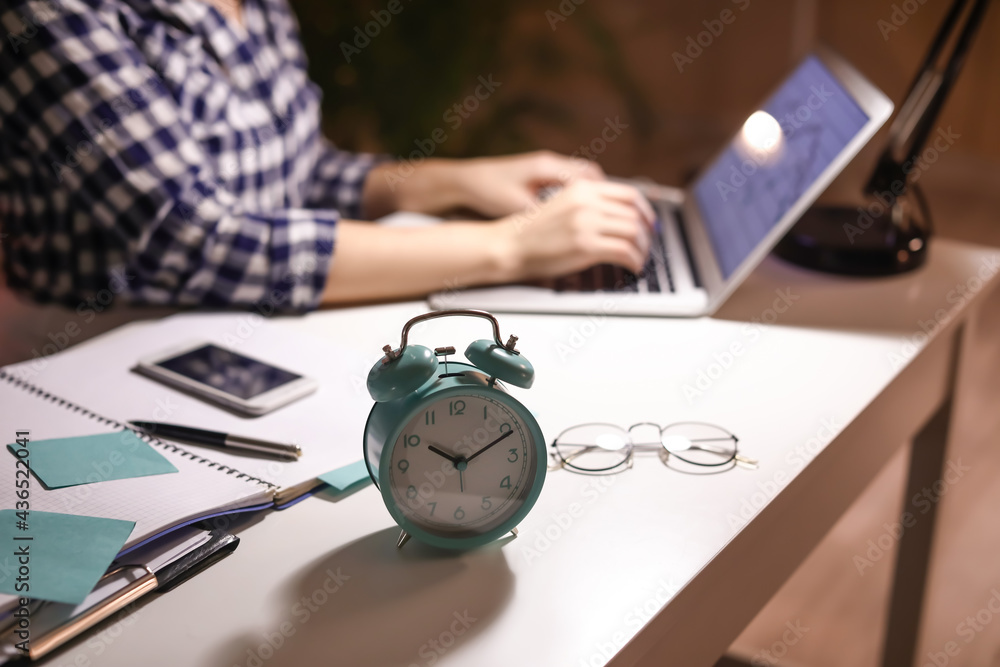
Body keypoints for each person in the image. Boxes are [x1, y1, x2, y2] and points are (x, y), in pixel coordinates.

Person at [0, 0, 653, 311]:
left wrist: (457, 180)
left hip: (240, 327)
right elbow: (190, 236)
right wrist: (511, 247)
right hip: (96, 362)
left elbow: (297, 173)